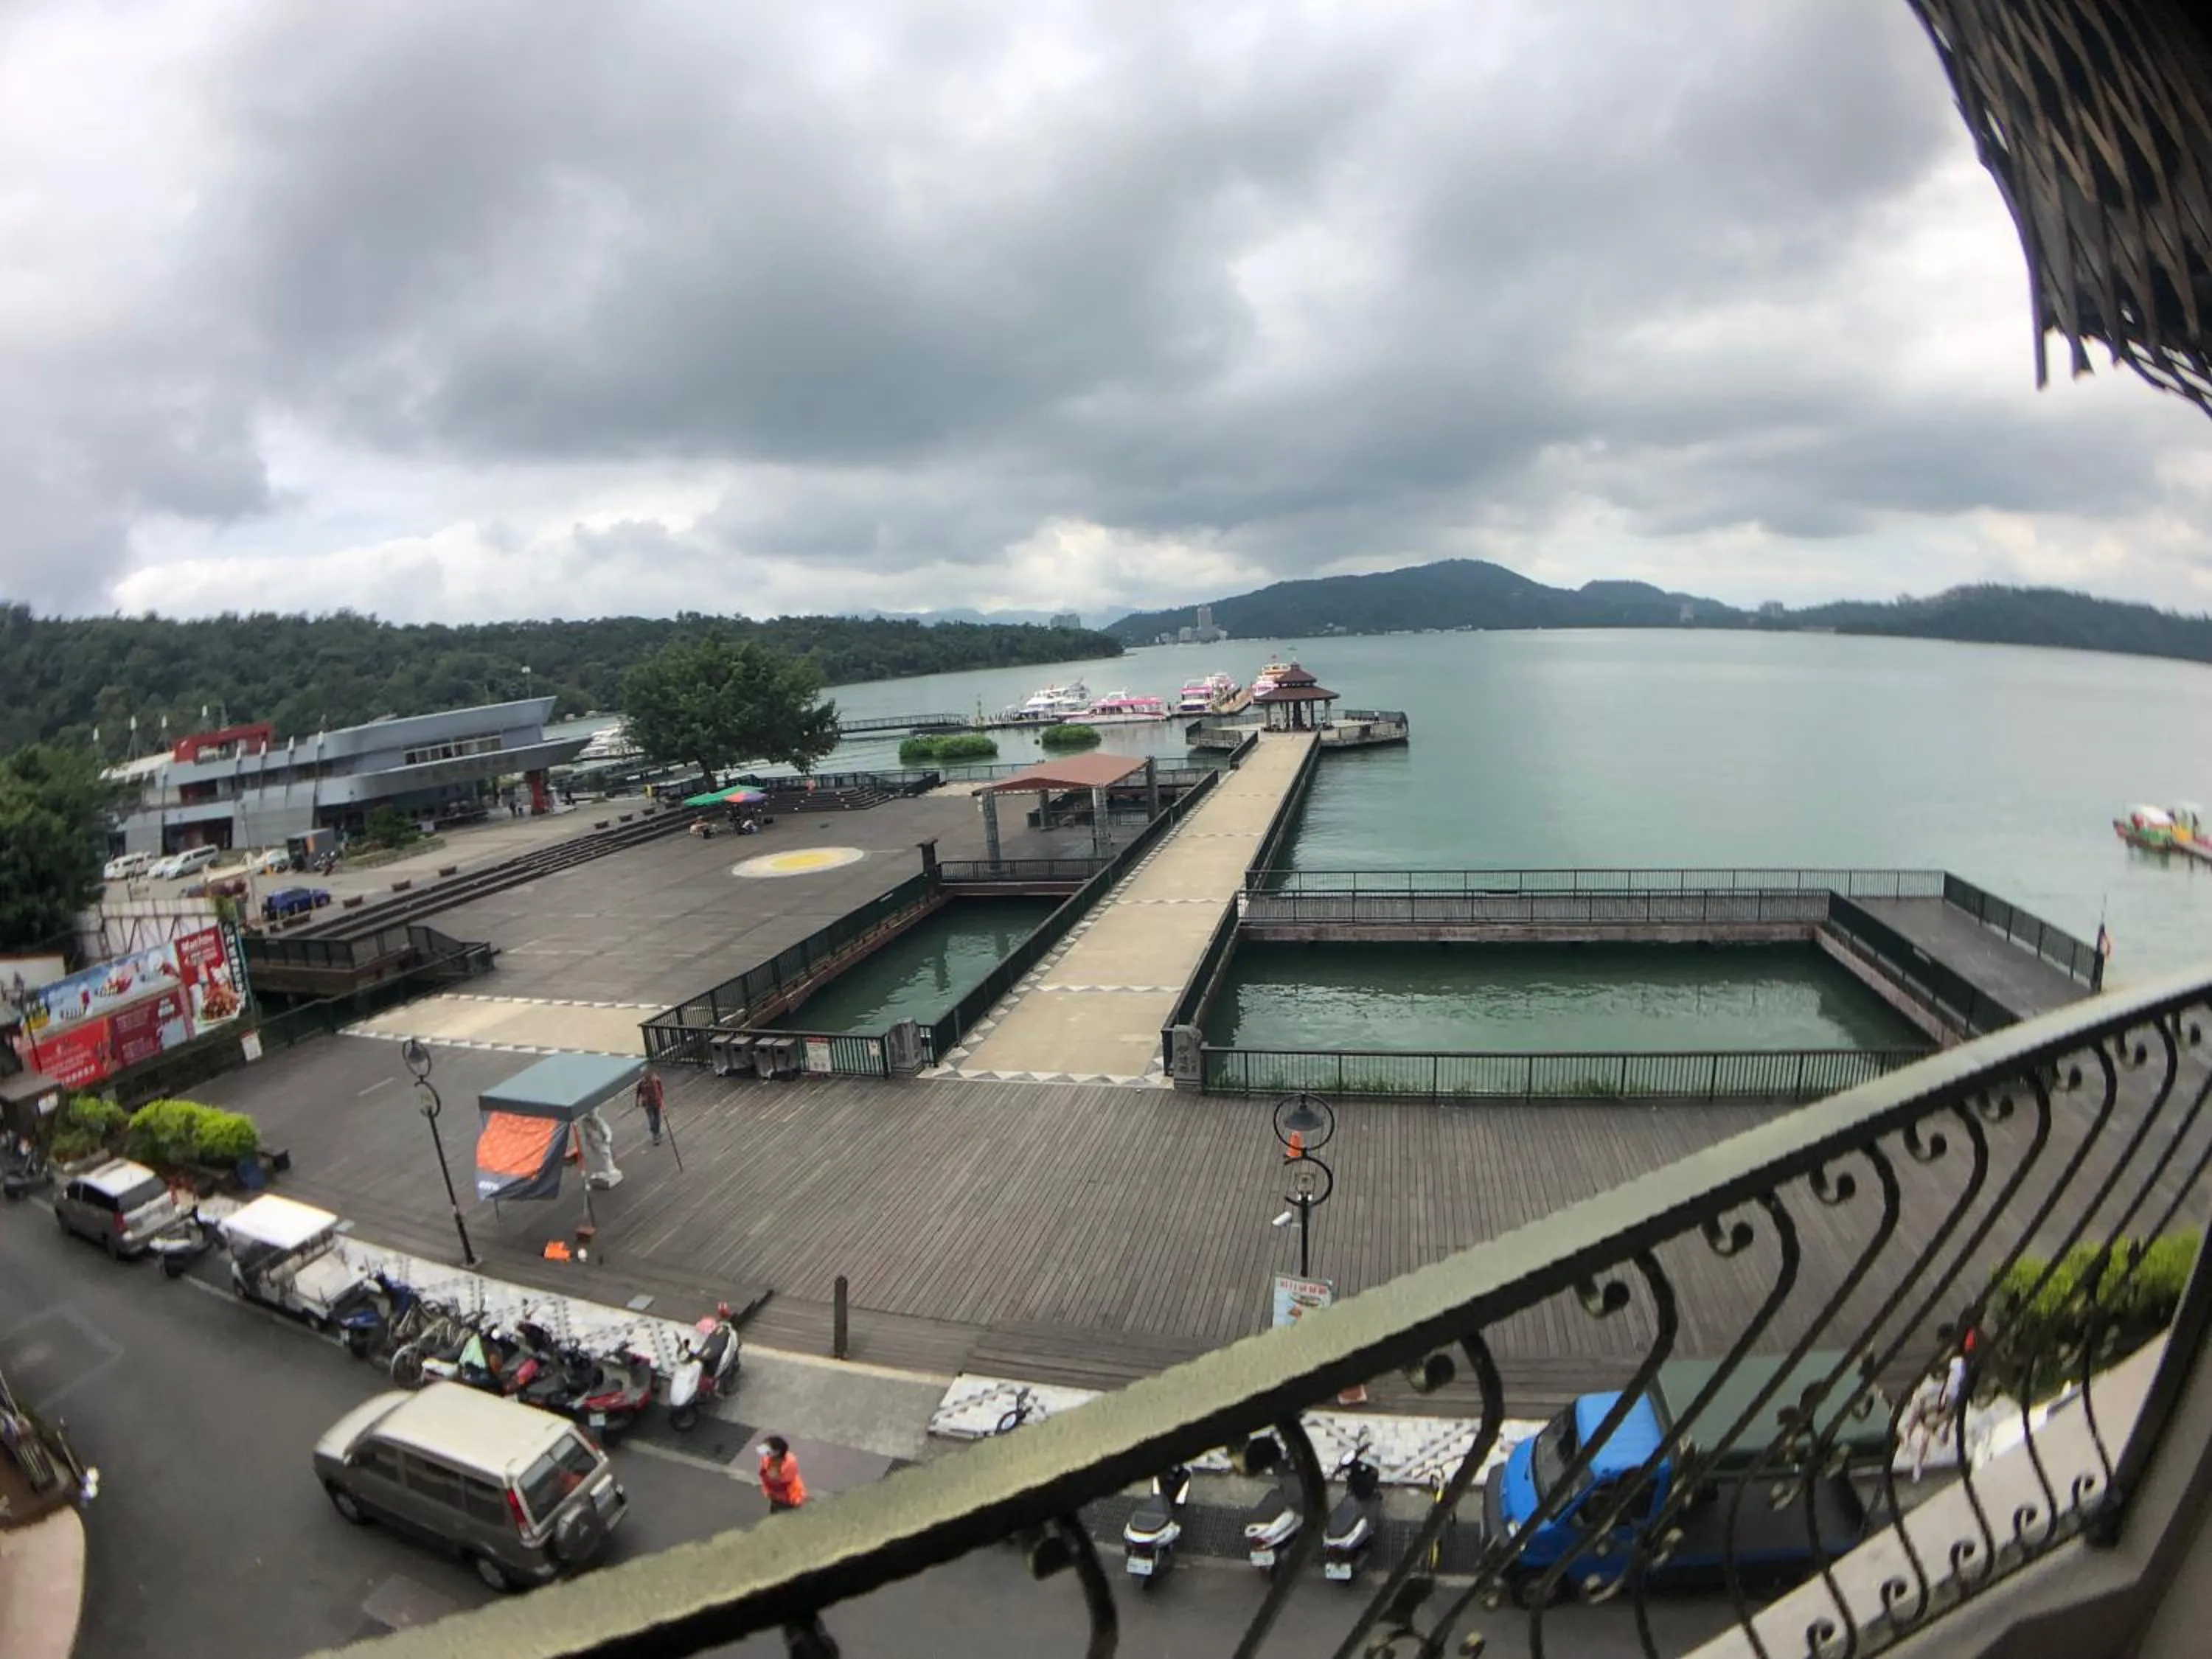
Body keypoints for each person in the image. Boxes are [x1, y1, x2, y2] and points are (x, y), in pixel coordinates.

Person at [759, 1435, 806, 1510]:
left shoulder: (790, 1463)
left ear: (777, 1452)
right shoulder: (766, 1459)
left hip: (790, 1497)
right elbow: (764, 1473)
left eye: (767, 1449)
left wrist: (773, 1478)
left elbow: (784, 1482)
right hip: (774, 1495)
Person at [636, 1067, 664, 1147]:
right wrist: (637, 1101)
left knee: (657, 1118)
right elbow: (638, 1092)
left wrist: (661, 1099)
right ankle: (655, 1135)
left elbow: (660, 1090)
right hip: (647, 1104)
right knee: (652, 1120)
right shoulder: (642, 1083)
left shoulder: (656, 1080)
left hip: (656, 1102)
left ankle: (657, 1132)